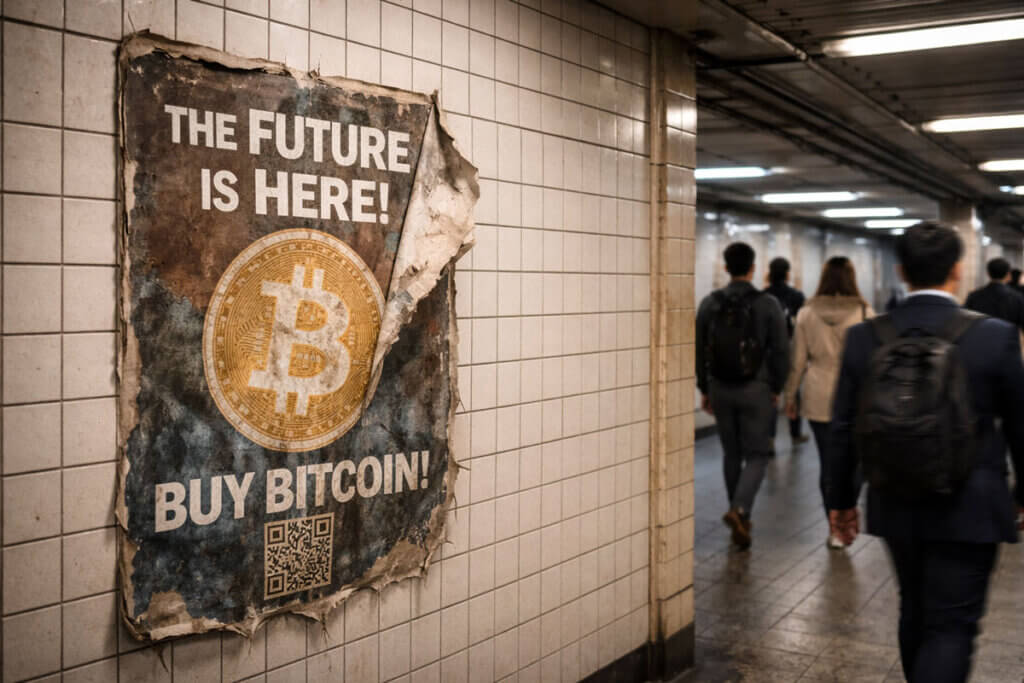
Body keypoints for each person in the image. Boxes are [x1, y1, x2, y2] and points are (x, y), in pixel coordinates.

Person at [829, 222, 1024, 683]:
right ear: (957, 270)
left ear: (901, 270)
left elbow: (843, 429)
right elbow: (1021, 422)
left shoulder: (866, 337)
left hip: (895, 499)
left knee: (913, 610)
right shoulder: (995, 336)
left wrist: (840, 500)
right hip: (972, 504)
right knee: (952, 625)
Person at [696, 242, 789, 549]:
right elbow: (781, 350)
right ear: (753, 268)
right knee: (759, 455)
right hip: (756, 389)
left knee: (732, 454)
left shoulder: (710, 303)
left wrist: (704, 388)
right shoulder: (768, 304)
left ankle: (741, 518)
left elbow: (699, 349)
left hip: (721, 388)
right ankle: (739, 510)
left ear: (725, 267)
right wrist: (776, 387)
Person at [782, 256, 873, 549]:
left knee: (828, 465)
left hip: (818, 393)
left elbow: (796, 361)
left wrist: (790, 396)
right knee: (856, 462)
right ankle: (848, 509)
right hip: (856, 396)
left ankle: (834, 529)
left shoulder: (806, 313)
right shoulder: (864, 311)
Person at [763, 257, 808, 446]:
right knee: (793, 390)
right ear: (788, 274)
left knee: (771, 395)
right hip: (791, 350)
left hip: (768, 353)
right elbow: (803, 325)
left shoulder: (762, 296)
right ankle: (795, 433)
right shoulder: (797, 296)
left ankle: (770, 438)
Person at [963, 257, 1024, 329]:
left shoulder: (974, 296)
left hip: (978, 337)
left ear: (988, 273)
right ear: (1008, 275)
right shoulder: (1017, 298)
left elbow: (965, 320)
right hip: (1007, 338)